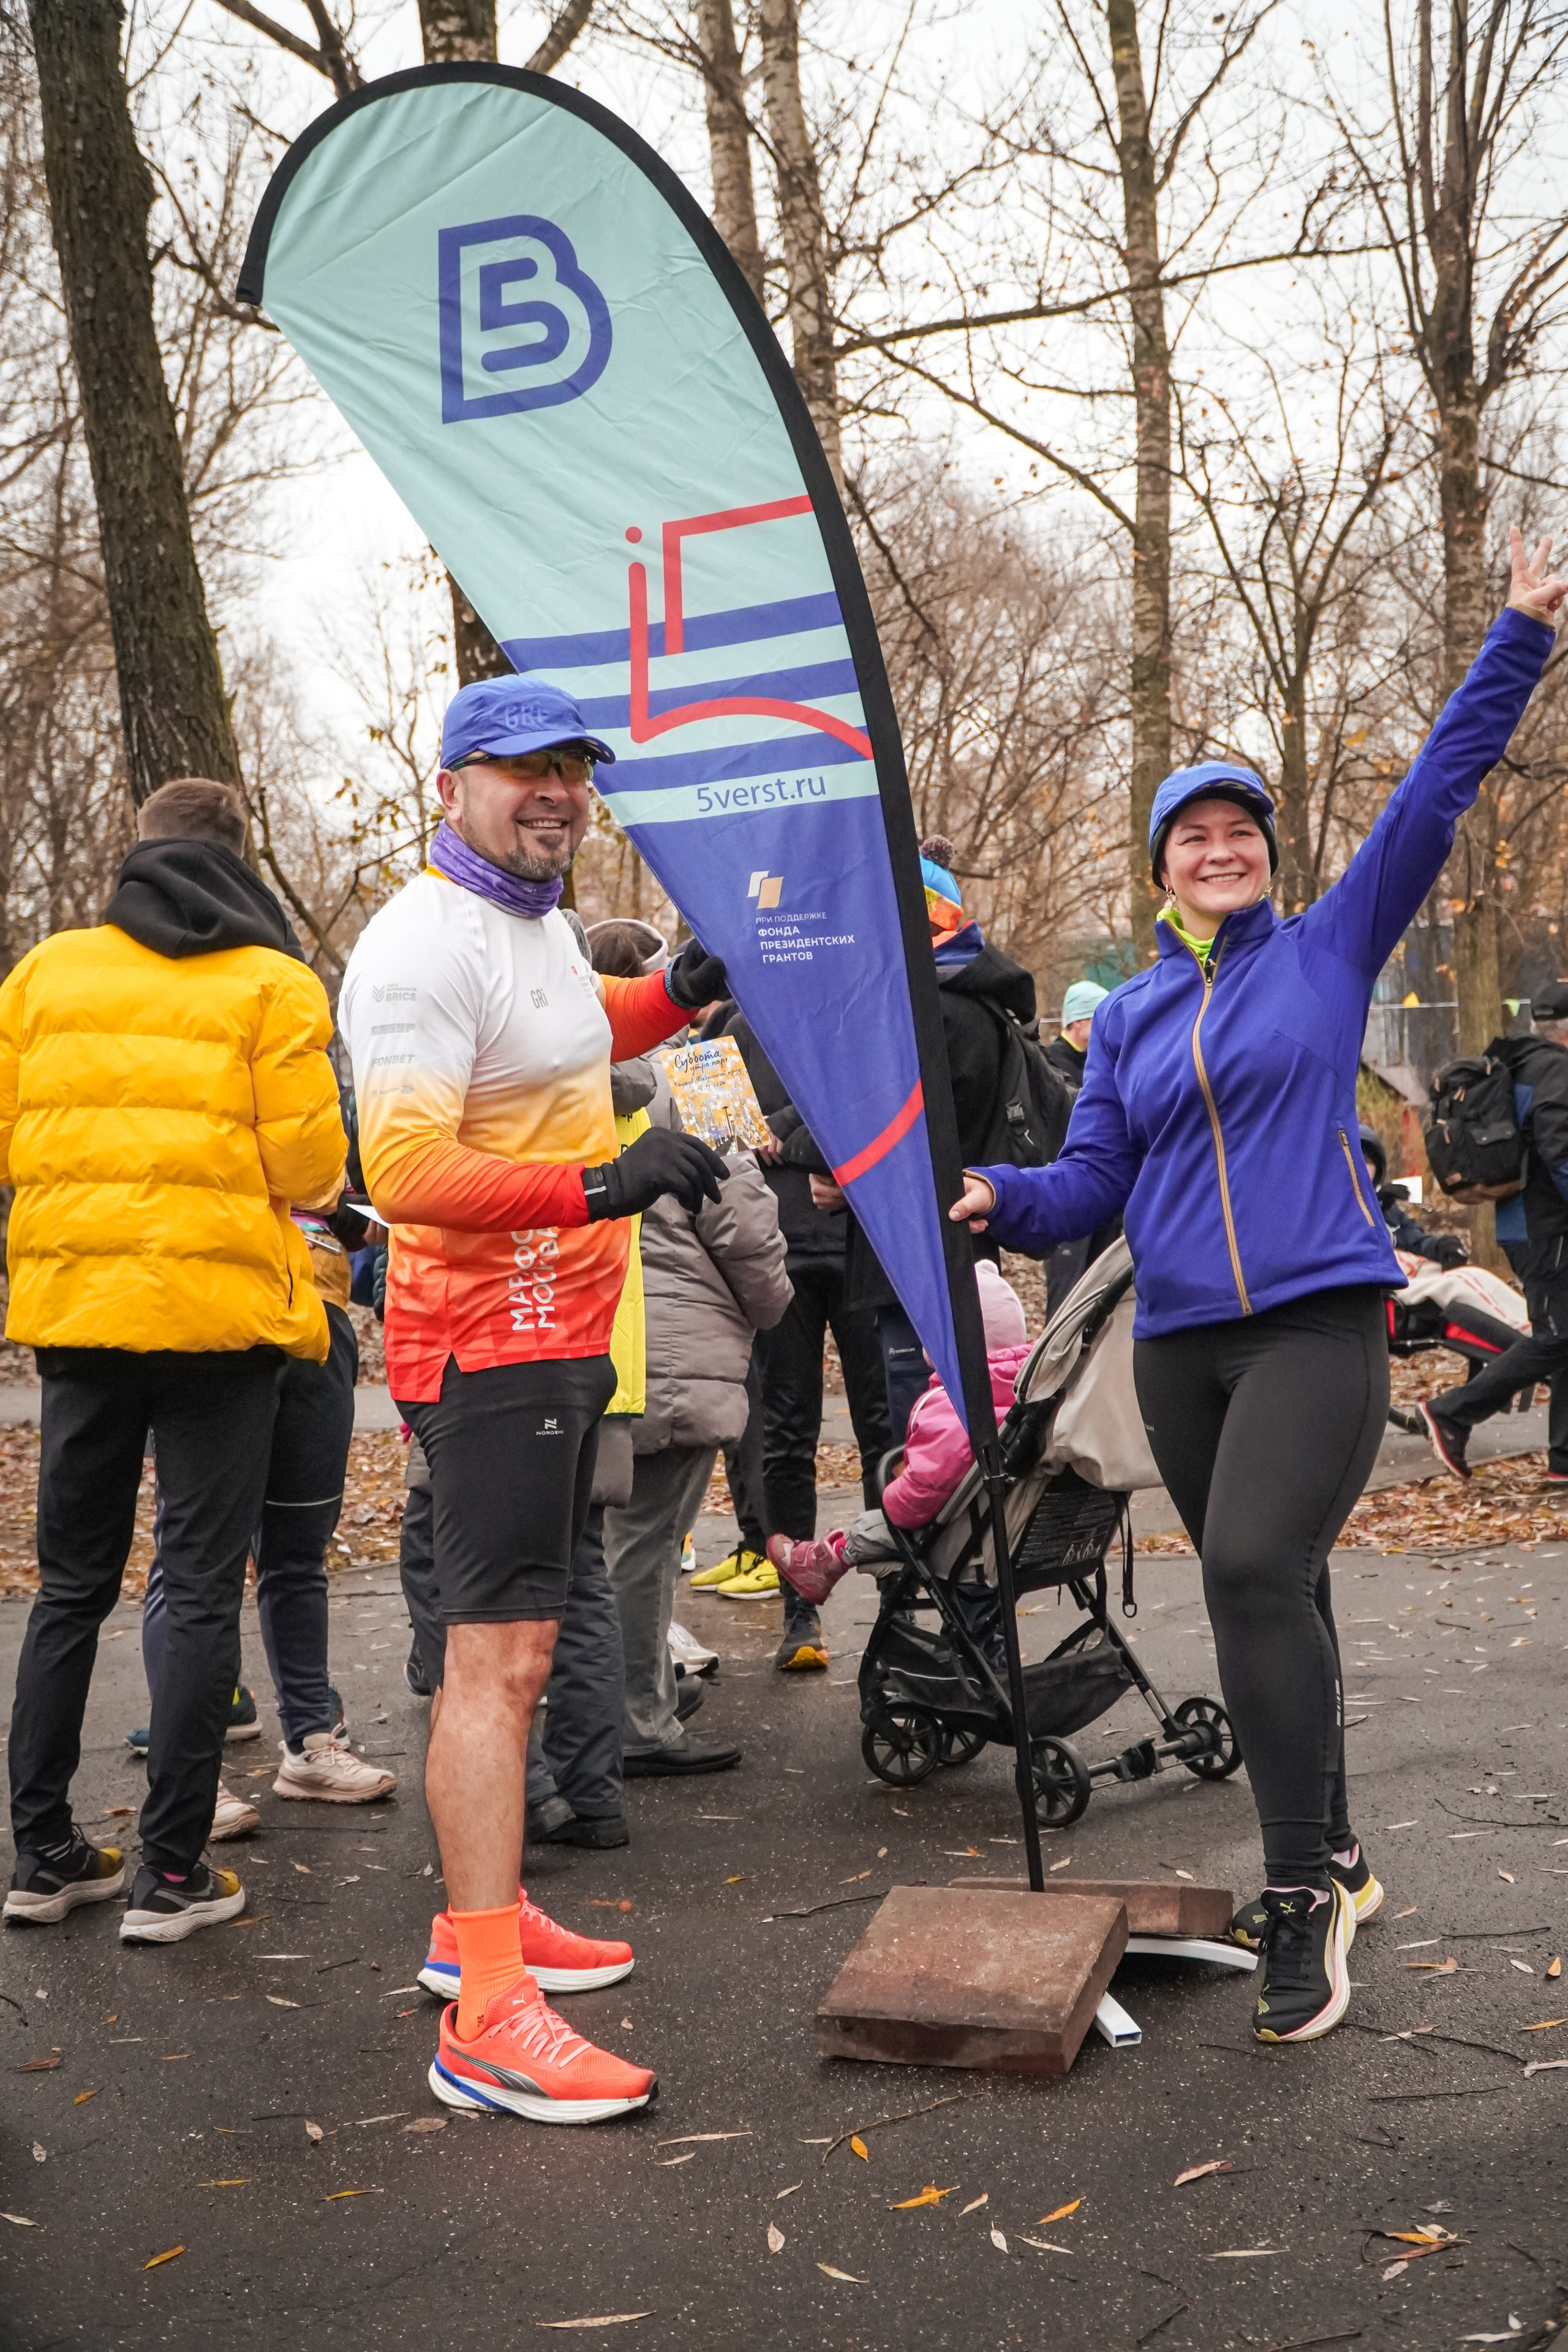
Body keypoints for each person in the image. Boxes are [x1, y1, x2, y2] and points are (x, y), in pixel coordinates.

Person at [948, 529, 1566, 2046]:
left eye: (1239, 830)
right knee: (1265, 1591)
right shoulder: (1137, 1016)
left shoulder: (1328, 951)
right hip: (1178, 1347)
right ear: (1158, 867)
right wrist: (990, 1192)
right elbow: (1089, 1183)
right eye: (1190, 834)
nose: (1217, 847)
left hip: (1309, 1322)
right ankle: (1338, 1849)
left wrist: (1518, 633)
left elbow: (1431, 794)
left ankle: (1296, 1889)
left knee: (1239, 1566)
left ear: (1266, 856)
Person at [341, 674, 733, 2125]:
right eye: (522, 768)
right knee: (493, 1666)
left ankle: (472, 1924)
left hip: (566, 1335)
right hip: (484, 1342)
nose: (555, 790)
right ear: (453, 784)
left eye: (572, 766)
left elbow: (577, 1029)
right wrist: (603, 1180)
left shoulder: (538, 926)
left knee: (524, 1639)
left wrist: (672, 994)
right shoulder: (417, 949)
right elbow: (406, 1172)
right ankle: (485, 2018)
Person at [1, 778, 345, 1942]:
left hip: (80, 1318)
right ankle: (171, 1873)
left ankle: (44, 1858)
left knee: (70, 1589)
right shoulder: (273, 985)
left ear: (134, 855)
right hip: (220, 1327)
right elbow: (310, 1176)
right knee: (200, 1583)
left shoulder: (47, 974)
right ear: (239, 861)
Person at [132, 1199, 396, 1840]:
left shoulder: (325, 1100)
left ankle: (310, 1743)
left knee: (298, 1551)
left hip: (318, 1317)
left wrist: (349, 1213)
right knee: (193, 1562)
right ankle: (188, 1780)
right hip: (218, 1314)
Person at [793, 841, 1039, 1443]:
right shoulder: (977, 1002)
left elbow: (891, 1135)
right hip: (959, 1256)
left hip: (915, 1264)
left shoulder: (926, 1015)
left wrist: (839, 1176)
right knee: (952, 1444)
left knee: (918, 1448)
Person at [604, 1060, 791, 1770]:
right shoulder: (700, 1075)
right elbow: (741, 1217)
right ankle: (639, 1719)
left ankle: (636, 1691)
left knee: (605, 1542)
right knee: (647, 1544)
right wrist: (773, 1303)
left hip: (595, 1335)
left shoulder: (550, 1066)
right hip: (678, 1344)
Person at [695, 1007, 892, 1666]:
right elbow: (714, 1137)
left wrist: (787, 1135)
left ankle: (899, 1602)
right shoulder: (726, 1027)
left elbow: (880, 1106)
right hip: (775, 1256)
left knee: (884, 1429)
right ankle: (798, 1613)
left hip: (864, 1248)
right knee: (785, 1428)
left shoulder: (851, 1009)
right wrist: (800, 1137)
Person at [769, 1262, 1029, 1601]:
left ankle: (825, 1560)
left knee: (876, 1526)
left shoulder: (953, 1409)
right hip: (1021, 1533)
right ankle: (826, 1557)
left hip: (969, 1545)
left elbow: (921, 1493)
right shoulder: (1030, 1394)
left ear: (951, 1341)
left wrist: (891, 1499)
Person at [1419, 981, 1568, 1483]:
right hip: (1550, 1226)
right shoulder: (1559, 1071)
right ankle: (1452, 1413)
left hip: (1521, 1222)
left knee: (1565, 1334)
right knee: (1554, 1336)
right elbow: (1559, 1148)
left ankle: (1564, 1461)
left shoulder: (1518, 1063)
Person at [1357, 1125, 1466, 1267]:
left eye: (1367, 1161)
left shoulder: (1389, 1208)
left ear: (1377, 1169)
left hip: (1399, 1276)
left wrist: (1440, 1247)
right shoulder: (1326, 1209)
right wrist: (1374, 1203)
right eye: (1353, 1160)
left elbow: (1415, 1242)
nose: (1359, 1166)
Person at [1044, 980, 1110, 1087]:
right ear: (1078, 1021)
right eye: (1100, 1019)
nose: (1106, 1025)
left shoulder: (1097, 1056)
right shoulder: (1051, 1062)